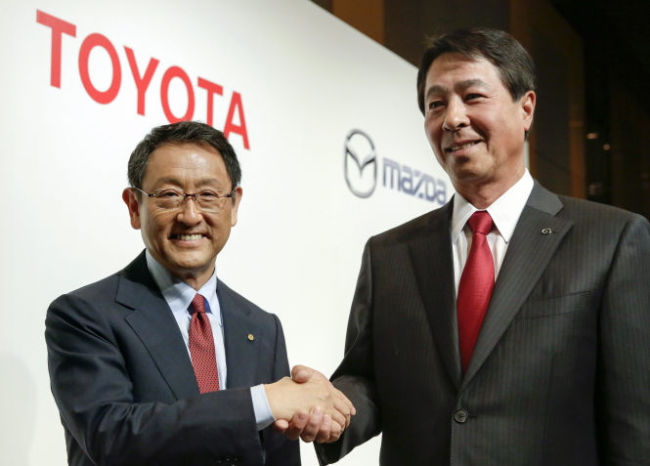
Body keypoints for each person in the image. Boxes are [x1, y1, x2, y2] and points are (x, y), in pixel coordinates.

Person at [279, 28, 650, 465]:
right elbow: (372, 381)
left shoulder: (611, 239)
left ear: (526, 108)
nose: (452, 118)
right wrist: (330, 409)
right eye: (436, 104)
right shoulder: (389, 254)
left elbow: (634, 421)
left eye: (472, 97)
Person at [45, 121, 353, 466]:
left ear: (234, 205)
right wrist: (261, 402)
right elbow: (110, 438)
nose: (190, 215)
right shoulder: (84, 314)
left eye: (208, 195)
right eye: (169, 195)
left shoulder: (263, 327)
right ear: (134, 206)